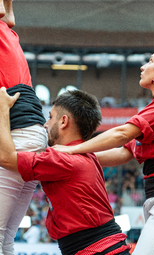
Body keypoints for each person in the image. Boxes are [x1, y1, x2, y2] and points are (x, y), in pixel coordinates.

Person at [53, 44, 154, 255]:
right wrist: (78, 159)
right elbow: (124, 153)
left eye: (151, 61)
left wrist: (71, 151)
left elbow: (121, 134)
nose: (143, 67)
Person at [0, 89, 130, 255]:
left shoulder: (63, 159)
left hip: (96, 250)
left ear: (63, 121)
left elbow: (6, 158)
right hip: (101, 247)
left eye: (50, 117)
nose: (45, 124)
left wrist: (3, 109)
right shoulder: (86, 156)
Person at [0, 2, 48, 254]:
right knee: (6, 237)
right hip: (33, 137)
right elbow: (8, 15)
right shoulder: (9, 35)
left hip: (19, 135)